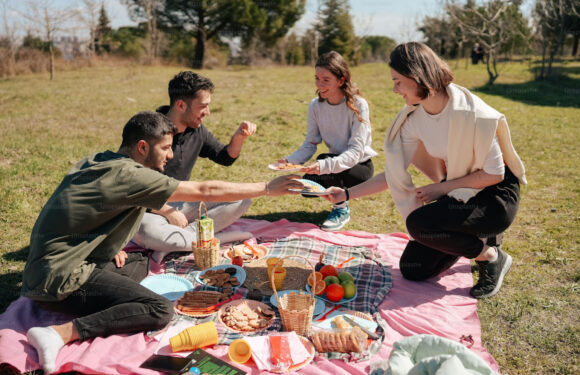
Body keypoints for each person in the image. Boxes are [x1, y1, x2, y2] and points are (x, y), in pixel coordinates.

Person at [22, 111, 302, 374]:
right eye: (165, 148)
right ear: (142, 147)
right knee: (159, 310)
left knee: (140, 263)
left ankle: (116, 303)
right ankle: (58, 333)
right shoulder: (131, 175)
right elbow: (205, 190)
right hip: (58, 278)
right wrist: (267, 188)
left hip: (55, 265)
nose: (170, 155)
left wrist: (106, 246)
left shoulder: (102, 160)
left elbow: (81, 213)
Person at [325, 42, 526, 299]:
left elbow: (495, 174)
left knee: (420, 224)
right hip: (459, 192)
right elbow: (394, 173)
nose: (394, 89)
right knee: (413, 268)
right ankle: (471, 238)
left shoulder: (473, 113)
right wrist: (345, 194)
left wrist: (440, 188)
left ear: (417, 76)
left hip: (494, 196)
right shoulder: (413, 120)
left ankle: (490, 256)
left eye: (398, 81)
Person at [132, 71, 257, 262]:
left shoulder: (197, 130)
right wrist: (167, 211)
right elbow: (133, 188)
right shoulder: (149, 130)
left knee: (243, 198)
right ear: (181, 105)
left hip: (182, 202)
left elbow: (225, 157)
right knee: (148, 232)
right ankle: (205, 239)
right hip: (150, 208)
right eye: (203, 106)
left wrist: (238, 137)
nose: (207, 112)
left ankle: (180, 241)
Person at [279, 51, 377, 231]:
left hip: (359, 167)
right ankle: (336, 196)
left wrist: (324, 166)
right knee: (307, 188)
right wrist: (290, 161)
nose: (319, 84)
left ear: (340, 80)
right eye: (317, 78)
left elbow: (355, 152)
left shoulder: (358, 104)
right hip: (334, 161)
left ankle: (341, 210)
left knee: (325, 162)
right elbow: (310, 143)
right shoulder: (315, 106)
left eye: (326, 80)